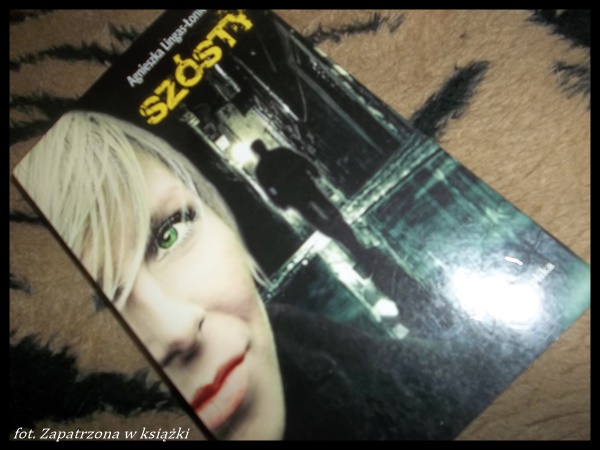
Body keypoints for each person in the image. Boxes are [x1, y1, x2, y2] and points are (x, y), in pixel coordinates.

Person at [14, 111, 476, 441]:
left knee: (336, 227)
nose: (176, 331)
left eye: (170, 233)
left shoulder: (297, 334)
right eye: (99, 302)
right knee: (336, 227)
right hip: (309, 204)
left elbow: (427, 372)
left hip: (310, 207)